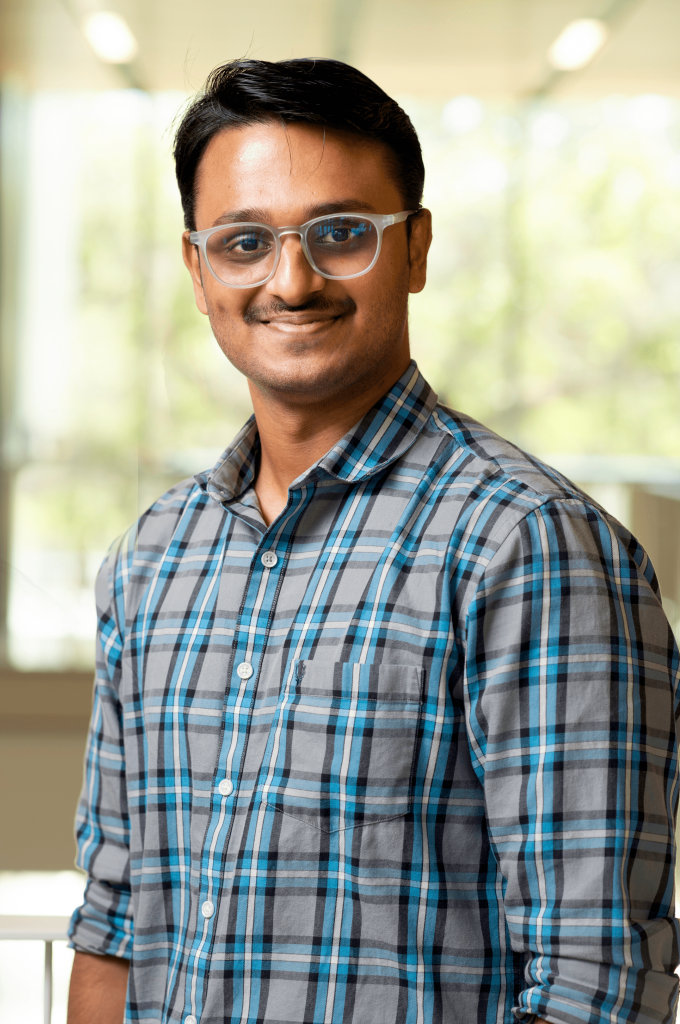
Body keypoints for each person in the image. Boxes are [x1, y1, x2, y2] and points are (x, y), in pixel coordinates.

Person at [66, 58, 680, 1024]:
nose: (291, 280)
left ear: (416, 249)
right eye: (243, 243)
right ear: (197, 270)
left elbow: (591, 985)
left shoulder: (530, 548)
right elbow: (113, 930)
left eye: (342, 233)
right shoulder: (154, 558)